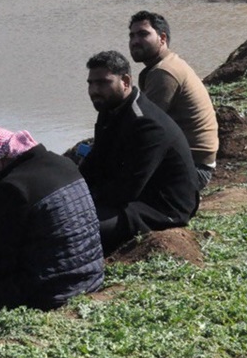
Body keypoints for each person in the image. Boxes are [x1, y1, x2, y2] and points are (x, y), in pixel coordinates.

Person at [0, 128, 104, 318]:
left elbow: (3, 258)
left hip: (51, 291)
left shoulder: (12, 188)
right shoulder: (64, 163)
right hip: (92, 276)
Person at [80, 50, 200, 255]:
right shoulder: (110, 111)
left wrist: (89, 200)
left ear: (125, 81)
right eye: (90, 83)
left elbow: (127, 189)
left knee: (79, 230)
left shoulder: (146, 124)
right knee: (64, 214)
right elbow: (95, 164)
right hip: (134, 199)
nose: (94, 90)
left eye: (102, 83)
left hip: (163, 208)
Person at [128, 11, 219, 189]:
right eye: (132, 35)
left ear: (162, 38)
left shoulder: (164, 72)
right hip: (192, 162)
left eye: (143, 34)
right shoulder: (164, 65)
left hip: (193, 169)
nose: (135, 41)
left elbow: (144, 128)